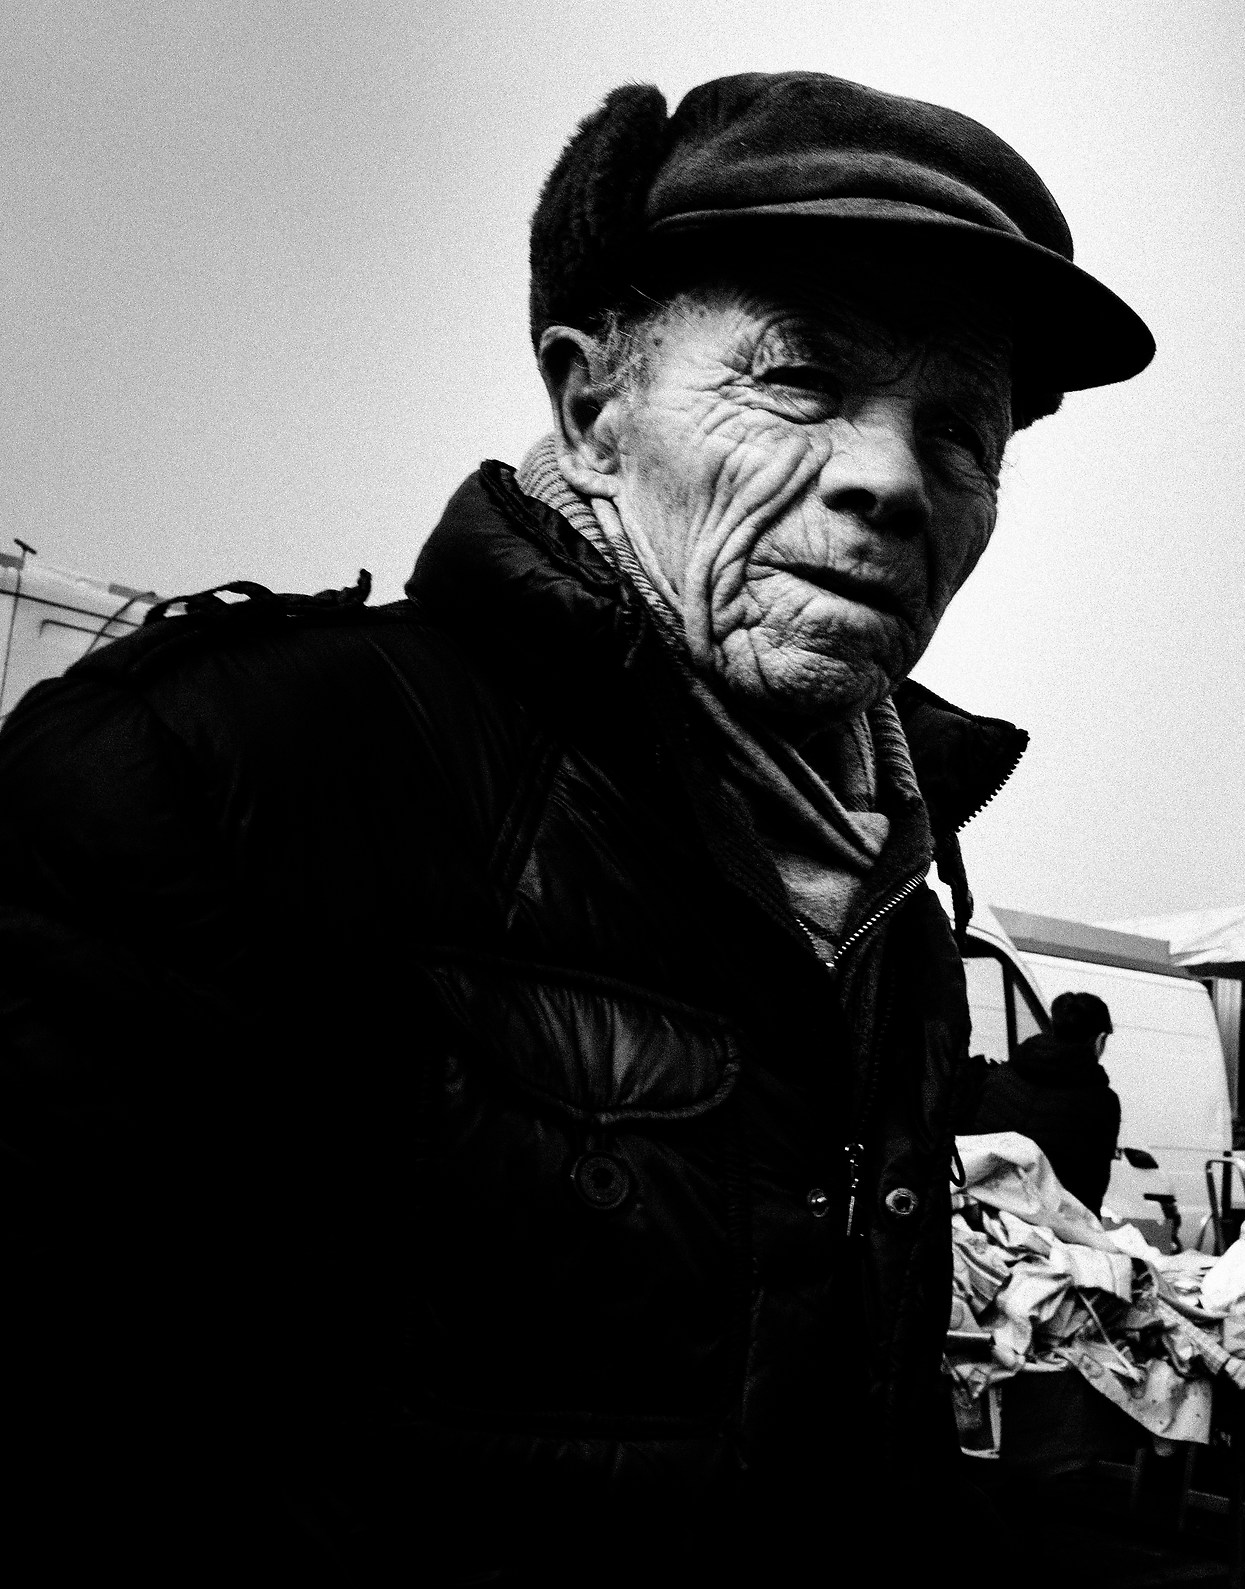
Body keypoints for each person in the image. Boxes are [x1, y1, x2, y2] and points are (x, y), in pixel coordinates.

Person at [0, 72, 1153, 1579]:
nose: (889, 478)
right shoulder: (223, 768)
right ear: (591, 401)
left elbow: (856, 1436)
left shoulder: (897, 924)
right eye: (799, 377)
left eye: (959, 430)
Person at [968, 990, 1122, 1216]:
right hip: (1049, 1223)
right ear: (1099, 1040)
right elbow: (1091, 1186)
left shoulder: (1002, 1076)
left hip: (982, 1210)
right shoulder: (1101, 1102)